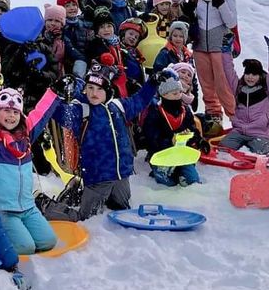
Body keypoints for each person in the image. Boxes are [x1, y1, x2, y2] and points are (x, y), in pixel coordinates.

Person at [0, 78, 60, 255]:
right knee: (25, 247)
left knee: (48, 241)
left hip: (27, 207)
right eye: (6, 110)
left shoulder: (25, 135)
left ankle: (11, 231)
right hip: (2, 210)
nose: (11, 116)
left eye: (15, 112)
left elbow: (41, 114)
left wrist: (54, 92)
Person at [57, 66, 158, 219]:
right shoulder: (81, 110)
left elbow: (140, 100)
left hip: (121, 175)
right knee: (87, 218)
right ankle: (60, 201)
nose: (94, 93)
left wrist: (153, 83)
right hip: (97, 177)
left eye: (99, 89)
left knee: (122, 210)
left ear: (108, 91)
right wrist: (54, 93)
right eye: (90, 87)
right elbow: (60, 113)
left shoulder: (118, 106)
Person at [184, 0, 237, 125]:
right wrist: (188, 14)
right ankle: (214, 117)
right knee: (207, 85)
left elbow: (232, 22)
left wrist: (221, 4)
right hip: (200, 45)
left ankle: (236, 117)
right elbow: (192, 19)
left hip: (219, 45)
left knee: (224, 85)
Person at [220, 32, 269, 154]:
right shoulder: (238, 87)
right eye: (248, 73)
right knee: (223, 148)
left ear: (260, 75)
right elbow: (228, 70)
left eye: (254, 74)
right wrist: (226, 51)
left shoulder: (267, 89)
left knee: (262, 152)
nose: (250, 77)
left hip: (259, 132)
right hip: (239, 131)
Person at [142, 76, 201, 187]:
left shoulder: (185, 110)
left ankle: (181, 172)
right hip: (162, 155)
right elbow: (150, 137)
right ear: (164, 94)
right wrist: (170, 140)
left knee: (193, 180)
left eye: (180, 92)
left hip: (182, 154)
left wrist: (193, 137)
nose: (179, 96)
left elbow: (193, 129)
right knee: (168, 184)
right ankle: (158, 172)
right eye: (175, 94)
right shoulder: (155, 112)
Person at [59, 0, 87, 79]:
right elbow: (68, 47)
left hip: (84, 61)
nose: (72, 8)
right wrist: (82, 58)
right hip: (68, 63)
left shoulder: (82, 24)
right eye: (67, 6)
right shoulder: (61, 26)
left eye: (74, 5)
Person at [118, 17, 148, 94]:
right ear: (123, 34)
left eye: (136, 37)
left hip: (135, 89)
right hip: (123, 88)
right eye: (131, 34)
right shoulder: (118, 50)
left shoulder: (137, 55)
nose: (133, 38)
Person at [43, 3, 66, 70]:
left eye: (57, 21)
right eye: (50, 20)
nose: (52, 23)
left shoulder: (64, 38)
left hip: (57, 71)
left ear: (62, 24)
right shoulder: (39, 35)